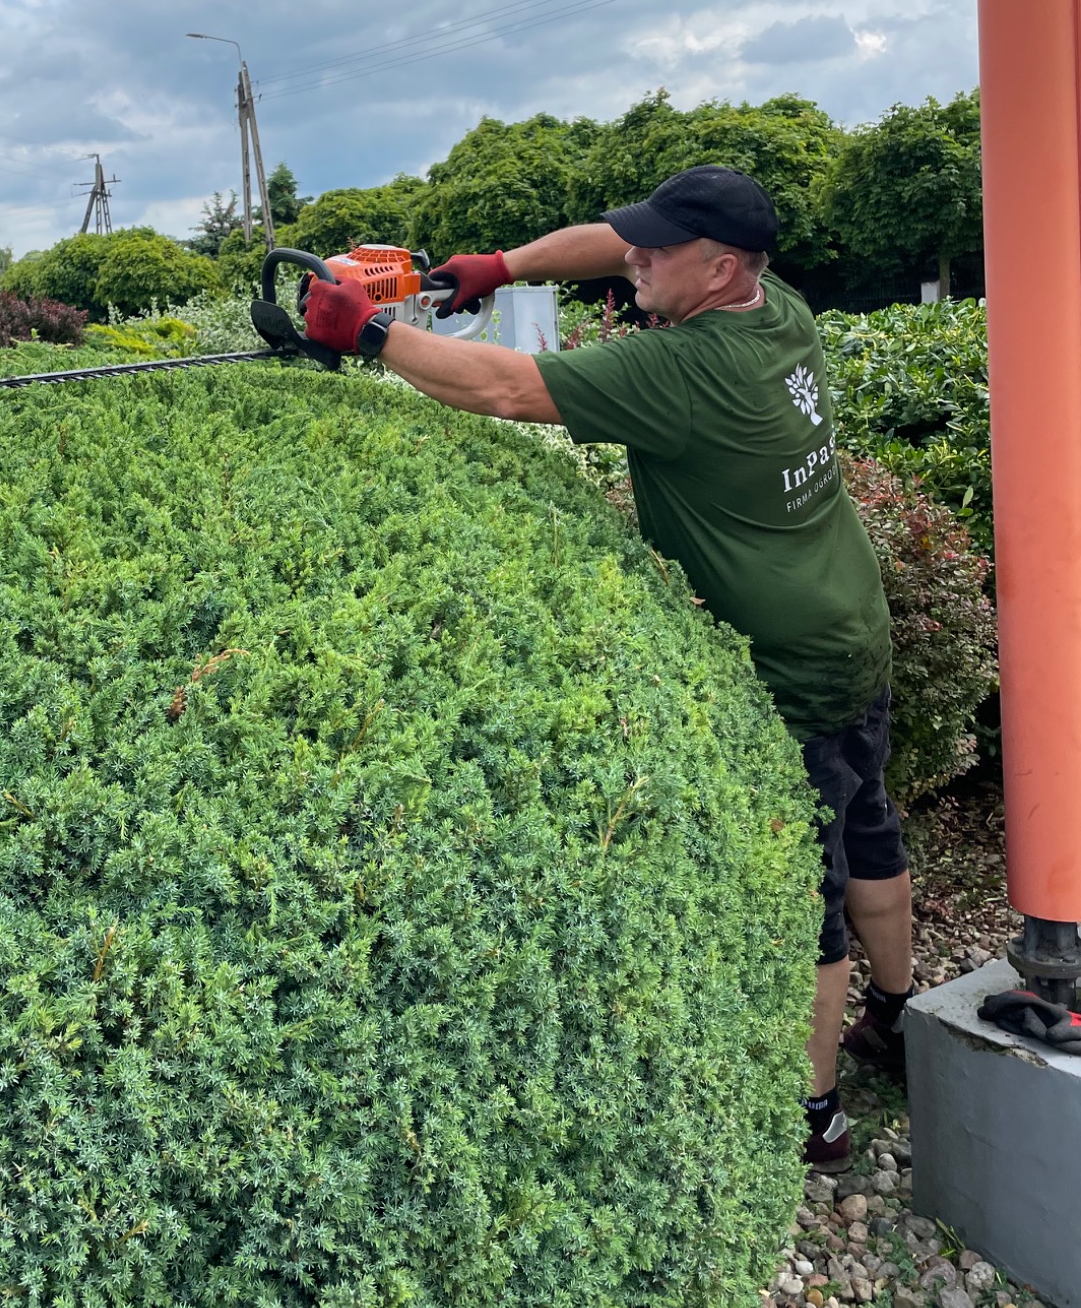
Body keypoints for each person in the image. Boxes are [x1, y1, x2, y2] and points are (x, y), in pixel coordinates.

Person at [303, 164, 913, 1172]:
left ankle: (815, 1114)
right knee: (868, 820)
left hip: (788, 667)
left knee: (814, 892)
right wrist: (494, 267)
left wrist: (362, 331)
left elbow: (500, 386)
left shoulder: (691, 372)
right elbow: (609, 242)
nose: (631, 254)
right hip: (852, 621)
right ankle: (897, 1017)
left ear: (718, 268)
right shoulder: (780, 309)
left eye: (656, 248)